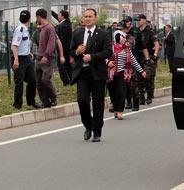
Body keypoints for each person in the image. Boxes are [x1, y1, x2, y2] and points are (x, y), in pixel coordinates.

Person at [70, 8, 112, 142]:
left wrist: (92, 57)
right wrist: (77, 52)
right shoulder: (77, 33)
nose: (87, 18)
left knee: (98, 104)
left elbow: (108, 52)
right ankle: (88, 125)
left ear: (95, 18)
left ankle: (97, 131)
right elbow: (70, 51)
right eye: (85, 16)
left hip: (97, 73)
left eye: (90, 16)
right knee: (82, 100)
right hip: (82, 73)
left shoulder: (103, 34)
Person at [108, 30, 145, 120]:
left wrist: (141, 71)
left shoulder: (126, 49)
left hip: (122, 74)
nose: (125, 39)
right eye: (123, 37)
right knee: (113, 93)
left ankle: (120, 111)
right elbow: (103, 58)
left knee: (121, 92)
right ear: (117, 37)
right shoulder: (109, 48)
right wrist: (108, 62)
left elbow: (133, 61)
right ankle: (116, 108)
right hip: (110, 75)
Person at [11, 10, 40, 110]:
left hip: (26, 58)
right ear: (29, 19)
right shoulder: (20, 29)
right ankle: (17, 104)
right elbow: (14, 46)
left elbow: (22, 44)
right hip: (19, 59)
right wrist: (16, 60)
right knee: (19, 82)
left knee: (32, 80)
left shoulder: (25, 29)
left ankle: (31, 101)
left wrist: (29, 53)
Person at [134, 14, 158, 107]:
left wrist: (155, 55)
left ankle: (149, 95)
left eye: (139, 20)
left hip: (149, 57)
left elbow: (156, 44)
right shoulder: (136, 32)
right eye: (136, 20)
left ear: (144, 20)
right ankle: (141, 97)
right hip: (139, 57)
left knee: (148, 77)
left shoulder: (150, 31)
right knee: (139, 77)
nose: (137, 21)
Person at [35, 9, 58, 108]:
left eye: (36, 17)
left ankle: (53, 97)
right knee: (39, 81)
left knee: (46, 79)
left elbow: (51, 43)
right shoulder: (42, 28)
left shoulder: (50, 28)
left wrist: (46, 55)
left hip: (47, 58)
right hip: (39, 58)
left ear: (39, 17)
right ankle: (45, 101)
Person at [52, 9, 73, 86]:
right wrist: (51, 12)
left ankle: (66, 81)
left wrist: (61, 51)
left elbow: (63, 40)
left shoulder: (63, 26)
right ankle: (71, 79)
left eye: (59, 15)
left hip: (63, 49)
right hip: (67, 49)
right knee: (68, 66)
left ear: (63, 16)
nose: (58, 16)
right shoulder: (67, 23)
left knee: (61, 66)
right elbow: (57, 18)